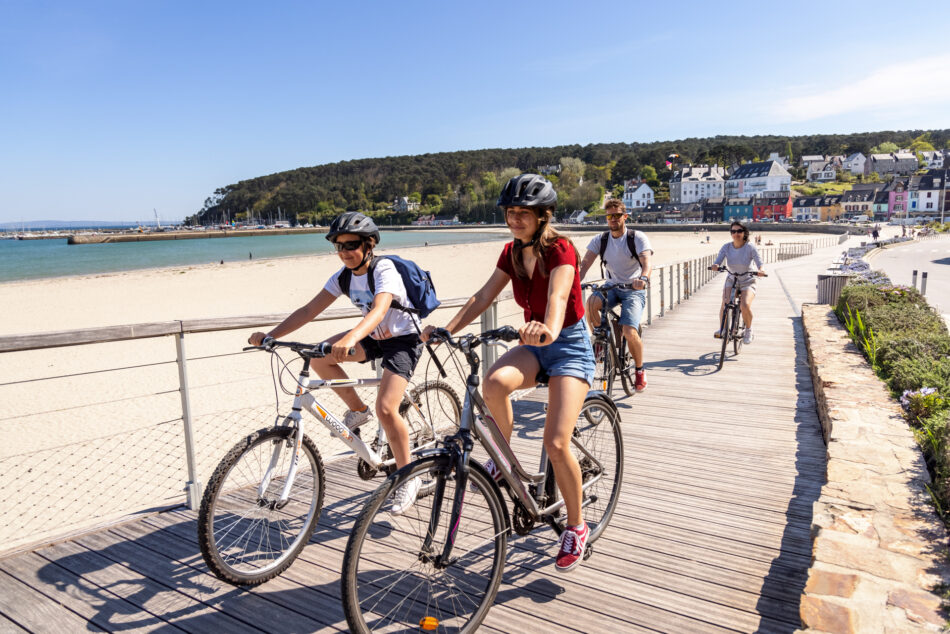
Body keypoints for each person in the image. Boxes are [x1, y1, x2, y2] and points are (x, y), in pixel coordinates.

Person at [422, 173, 595, 573]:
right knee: (495, 383)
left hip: (567, 344)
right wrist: (450, 328)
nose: (515, 219)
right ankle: (504, 459)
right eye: (510, 212)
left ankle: (576, 525)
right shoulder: (512, 252)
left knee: (555, 442)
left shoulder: (561, 249)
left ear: (543, 216)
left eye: (524, 213)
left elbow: (557, 297)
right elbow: (483, 296)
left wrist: (547, 326)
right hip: (535, 345)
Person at [247, 212, 425, 515]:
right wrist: (271, 336)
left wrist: (351, 338)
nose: (344, 252)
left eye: (351, 245)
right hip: (372, 336)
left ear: (369, 244)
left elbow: (380, 309)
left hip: (402, 340)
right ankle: (358, 411)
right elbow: (308, 310)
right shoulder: (343, 276)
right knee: (321, 358)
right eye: (338, 246)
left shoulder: (385, 269)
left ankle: (409, 478)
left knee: (387, 408)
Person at [578, 199, 652, 392]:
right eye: (609, 216)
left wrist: (643, 278)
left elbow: (646, 262)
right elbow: (585, 264)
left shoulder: (637, 237)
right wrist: (573, 283)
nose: (613, 219)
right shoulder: (600, 240)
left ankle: (639, 370)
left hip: (633, 289)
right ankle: (600, 342)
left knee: (629, 331)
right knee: (592, 302)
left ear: (625, 216)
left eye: (617, 215)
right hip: (611, 286)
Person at [711, 221, 766, 344]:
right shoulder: (726, 247)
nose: (736, 234)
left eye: (739, 231)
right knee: (725, 303)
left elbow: (759, 262)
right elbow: (718, 260)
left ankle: (748, 329)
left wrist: (761, 270)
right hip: (732, 279)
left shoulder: (750, 247)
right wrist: (715, 265)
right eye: (733, 231)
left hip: (748, 280)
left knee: (744, 305)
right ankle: (723, 329)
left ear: (744, 233)